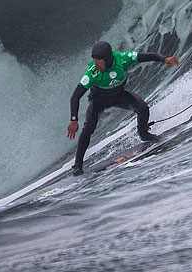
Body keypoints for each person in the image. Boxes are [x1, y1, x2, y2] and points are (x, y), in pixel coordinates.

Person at [66, 41, 180, 175]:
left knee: (142, 107)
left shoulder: (123, 59)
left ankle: (143, 134)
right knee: (88, 127)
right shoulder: (92, 73)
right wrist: (74, 119)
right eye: (94, 60)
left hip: (118, 95)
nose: (96, 64)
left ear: (107, 59)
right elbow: (75, 96)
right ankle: (77, 165)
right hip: (98, 100)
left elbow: (145, 56)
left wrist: (164, 59)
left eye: (99, 61)